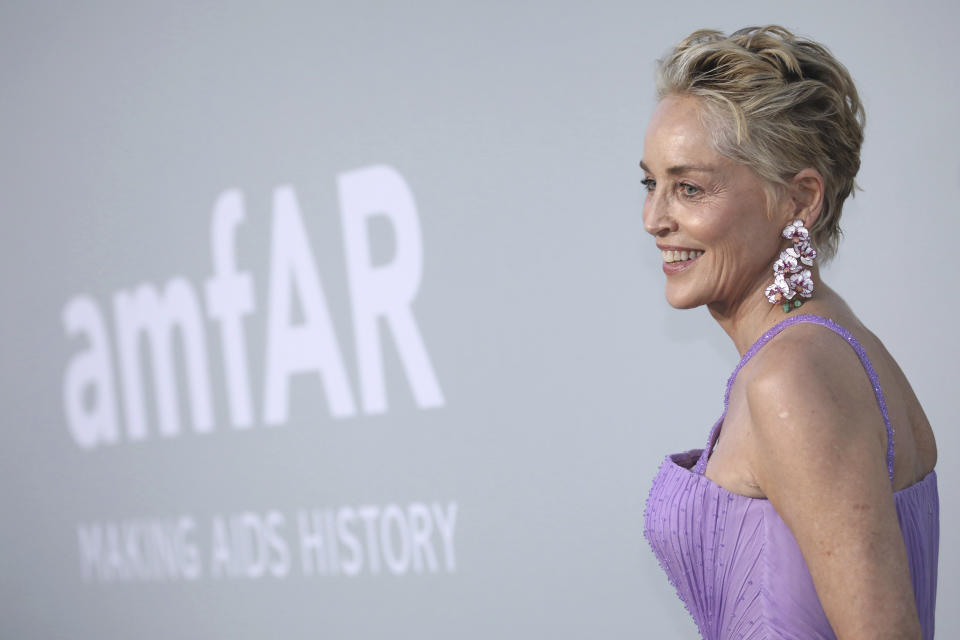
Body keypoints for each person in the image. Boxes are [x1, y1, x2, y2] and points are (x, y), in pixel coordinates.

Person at [640, 26, 939, 639]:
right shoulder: (832, 342)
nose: (654, 219)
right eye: (651, 183)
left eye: (689, 188)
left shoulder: (793, 378)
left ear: (800, 200)